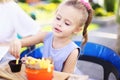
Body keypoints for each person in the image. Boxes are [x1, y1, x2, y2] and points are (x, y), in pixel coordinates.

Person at [10, 0, 93, 73]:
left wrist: (38, 65)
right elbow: (22, 42)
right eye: (58, 18)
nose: (59, 24)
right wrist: (17, 42)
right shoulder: (46, 36)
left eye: (67, 23)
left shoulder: (72, 51)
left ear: (77, 30)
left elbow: (65, 77)